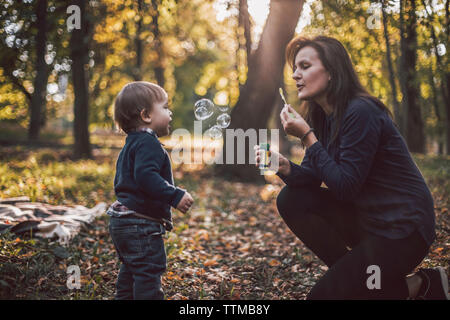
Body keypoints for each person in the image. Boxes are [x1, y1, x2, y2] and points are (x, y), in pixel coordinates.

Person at [255, 35, 449, 300]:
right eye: (294, 69)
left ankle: (372, 283)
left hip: (402, 230)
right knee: (291, 199)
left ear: (332, 71)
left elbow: (346, 186)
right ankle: (384, 283)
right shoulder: (320, 117)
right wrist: (284, 166)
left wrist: (306, 137)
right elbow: (313, 180)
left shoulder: (361, 111)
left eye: (305, 66)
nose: (296, 75)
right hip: (367, 221)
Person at [107, 81, 194, 299]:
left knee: (131, 271)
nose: (170, 112)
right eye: (165, 107)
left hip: (122, 223)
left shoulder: (132, 143)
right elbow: (146, 177)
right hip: (140, 225)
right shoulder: (148, 143)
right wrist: (176, 195)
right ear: (146, 115)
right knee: (148, 273)